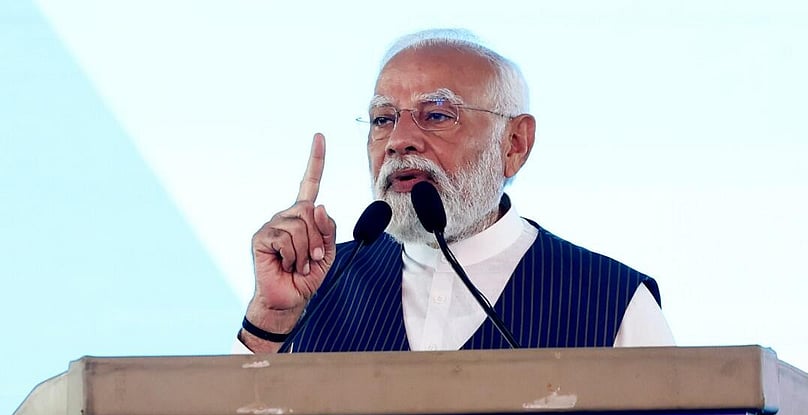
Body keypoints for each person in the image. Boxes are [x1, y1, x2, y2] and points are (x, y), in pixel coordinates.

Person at [236, 29, 674, 354]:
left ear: (515, 144)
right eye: (383, 119)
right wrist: (271, 317)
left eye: (437, 115)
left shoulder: (612, 301)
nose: (398, 140)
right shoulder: (318, 286)